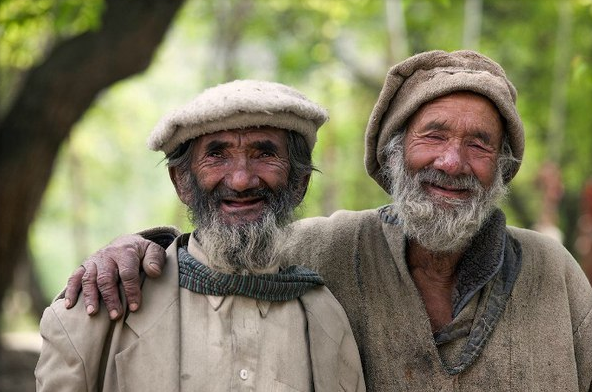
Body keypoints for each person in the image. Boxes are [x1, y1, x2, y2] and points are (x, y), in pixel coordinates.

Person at [63, 50, 592, 391]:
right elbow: (227, 240)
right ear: (392, 154)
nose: (451, 163)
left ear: (502, 168)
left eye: (479, 144)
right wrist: (137, 246)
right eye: (432, 136)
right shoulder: (327, 248)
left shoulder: (555, 272)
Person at [35, 80, 366, 392]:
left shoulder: (326, 320)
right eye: (217, 155)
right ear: (182, 182)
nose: (240, 180)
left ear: (299, 184)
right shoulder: (98, 312)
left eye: (264, 154)